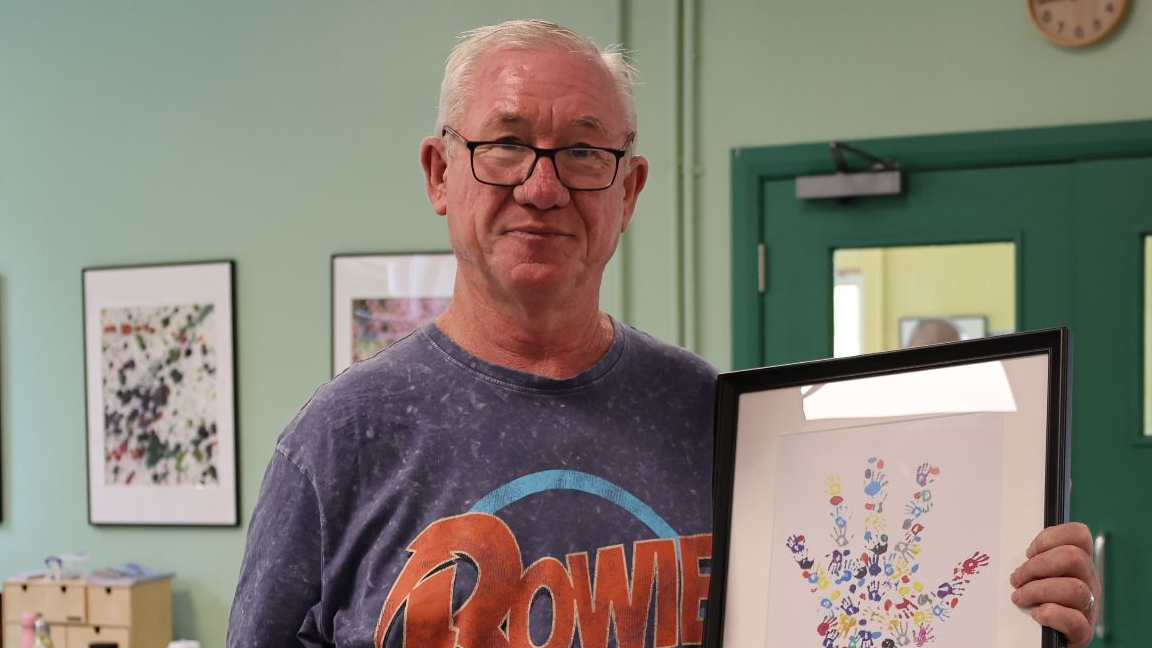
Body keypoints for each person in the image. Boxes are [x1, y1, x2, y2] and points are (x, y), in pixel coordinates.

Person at [227, 19, 1100, 648]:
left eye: (583, 152)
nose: (542, 187)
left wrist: (1016, 612)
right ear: (439, 173)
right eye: (504, 144)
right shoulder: (340, 441)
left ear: (629, 190)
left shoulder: (714, 419)